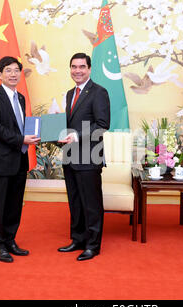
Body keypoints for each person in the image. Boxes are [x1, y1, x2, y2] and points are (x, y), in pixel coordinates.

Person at [0, 56, 40, 263]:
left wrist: (32, 135)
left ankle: (10, 240)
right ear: (0, 74)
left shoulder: (21, 97)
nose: (13, 74)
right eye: (8, 70)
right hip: (0, 161)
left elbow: (20, 125)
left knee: (15, 204)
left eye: (17, 70)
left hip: (19, 159)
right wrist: (21, 139)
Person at [57, 52, 110, 261]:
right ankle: (78, 239)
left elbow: (102, 126)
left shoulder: (99, 92)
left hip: (89, 157)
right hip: (70, 157)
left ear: (89, 69)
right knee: (75, 202)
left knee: (91, 204)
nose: (77, 71)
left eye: (81, 67)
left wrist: (76, 136)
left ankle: (93, 245)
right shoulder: (70, 93)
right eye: (73, 67)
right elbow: (69, 124)